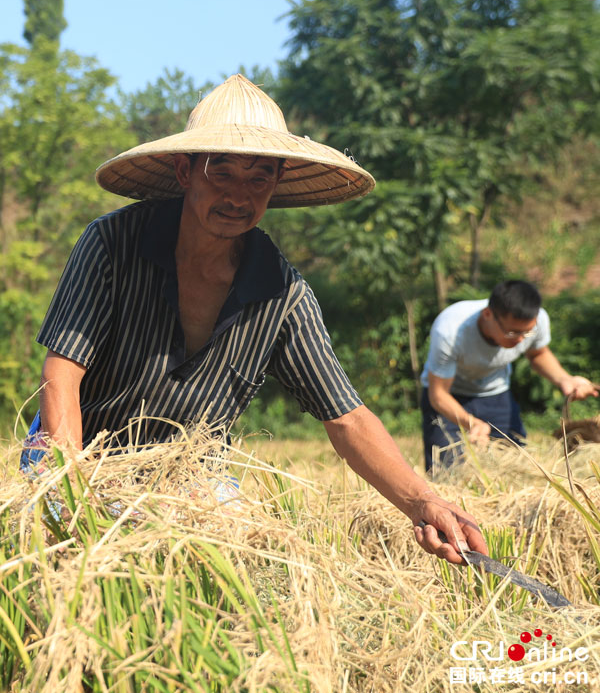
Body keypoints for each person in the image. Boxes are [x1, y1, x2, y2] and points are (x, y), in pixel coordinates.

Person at [22, 73, 486, 564]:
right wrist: (74, 487)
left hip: (190, 473)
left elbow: (347, 418)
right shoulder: (112, 245)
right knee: (67, 558)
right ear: (184, 172)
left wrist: (423, 502)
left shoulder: (282, 295)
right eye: (221, 172)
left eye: (259, 176)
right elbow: (62, 375)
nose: (239, 196)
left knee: (236, 564)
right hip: (80, 448)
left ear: (277, 182)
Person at [420, 280, 598, 470]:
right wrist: (471, 423)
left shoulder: (537, 319)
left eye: (527, 333)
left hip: (496, 394)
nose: (521, 339)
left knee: (515, 466)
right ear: (488, 315)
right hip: (450, 398)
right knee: (445, 470)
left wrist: (565, 379)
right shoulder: (451, 331)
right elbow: (438, 395)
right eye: (512, 333)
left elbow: (537, 353)